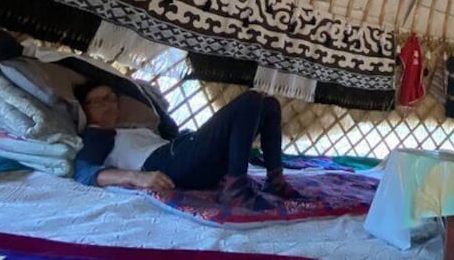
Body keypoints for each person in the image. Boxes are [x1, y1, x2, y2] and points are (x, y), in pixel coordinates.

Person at [73, 81, 300, 211]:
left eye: (110, 97)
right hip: (169, 163)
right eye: (98, 100)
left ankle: (274, 181)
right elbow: (83, 172)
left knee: (270, 104)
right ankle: (236, 189)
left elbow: (170, 129)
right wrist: (135, 177)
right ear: (86, 108)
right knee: (250, 99)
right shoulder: (96, 136)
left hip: (190, 159)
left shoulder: (132, 129)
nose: (106, 104)